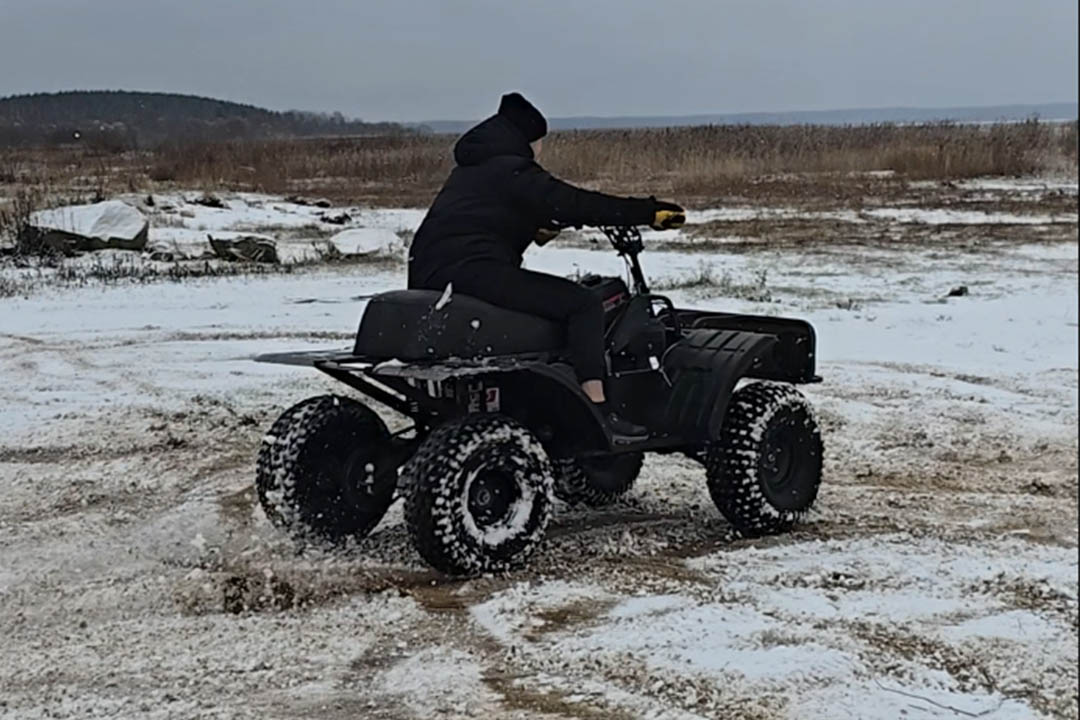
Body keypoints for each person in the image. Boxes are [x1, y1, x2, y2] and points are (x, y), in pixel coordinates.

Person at [408, 92, 685, 442]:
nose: (540, 150)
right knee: (582, 304)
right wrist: (648, 212)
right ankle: (597, 406)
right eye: (540, 142)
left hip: (430, 272)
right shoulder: (513, 169)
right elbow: (574, 202)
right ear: (527, 139)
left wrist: (533, 224)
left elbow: (483, 216)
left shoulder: (470, 170)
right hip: (474, 272)